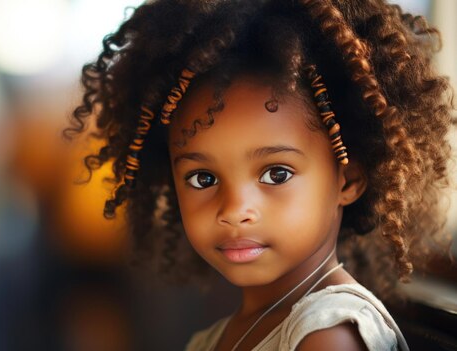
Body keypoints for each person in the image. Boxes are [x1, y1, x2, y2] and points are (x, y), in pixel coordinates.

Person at [65, 0, 454, 349]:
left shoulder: (328, 336)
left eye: (276, 174)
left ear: (347, 179)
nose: (234, 209)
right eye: (203, 178)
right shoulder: (220, 335)